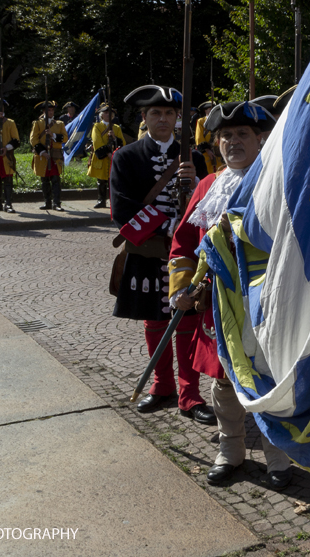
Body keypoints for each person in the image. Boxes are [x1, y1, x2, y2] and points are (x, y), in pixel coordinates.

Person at [168, 100, 292, 489]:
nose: (232, 142)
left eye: (242, 134)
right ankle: (230, 451)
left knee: (269, 380)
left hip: (266, 304)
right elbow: (184, 242)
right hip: (217, 306)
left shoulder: (279, 180)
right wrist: (182, 287)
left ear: (261, 139)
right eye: (224, 136)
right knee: (223, 382)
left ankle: (279, 457)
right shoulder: (208, 186)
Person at [110, 85, 207, 420]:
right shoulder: (127, 156)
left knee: (189, 318)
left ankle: (190, 393)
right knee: (155, 317)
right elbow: (121, 208)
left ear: (178, 117)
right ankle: (162, 385)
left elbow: (208, 203)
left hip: (185, 254)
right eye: (156, 113)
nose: (163, 119)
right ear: (144, 117)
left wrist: (195, 187)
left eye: (169, 113)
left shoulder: (193, 158)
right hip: (150, 249)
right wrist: (168, 226)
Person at [87, 102, 125, 209]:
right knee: (101, 181)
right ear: (101, 114)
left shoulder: (116, 128)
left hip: (113, 158)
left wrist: (114, 138)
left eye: (110, 113)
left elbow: (122, 143)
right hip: (102, 158)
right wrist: (108, 153)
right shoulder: (97, 126)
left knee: (113, 181)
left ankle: (114, 201)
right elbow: (97, 142)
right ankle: (101, 200)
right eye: (106, 112)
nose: (108, 114)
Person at [30, 101, 66, 211]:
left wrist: (53, 135)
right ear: (44, 111)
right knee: (44, 180)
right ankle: (47, 203)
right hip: (43, 155)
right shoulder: (37, 123)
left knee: (55, 179)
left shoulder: (59, 124)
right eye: (48, 110)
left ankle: (57, 203)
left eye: (52, 110)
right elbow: (33, 139)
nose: (51, 112)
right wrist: (42, 152)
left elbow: (65, 138)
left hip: (55, 155)